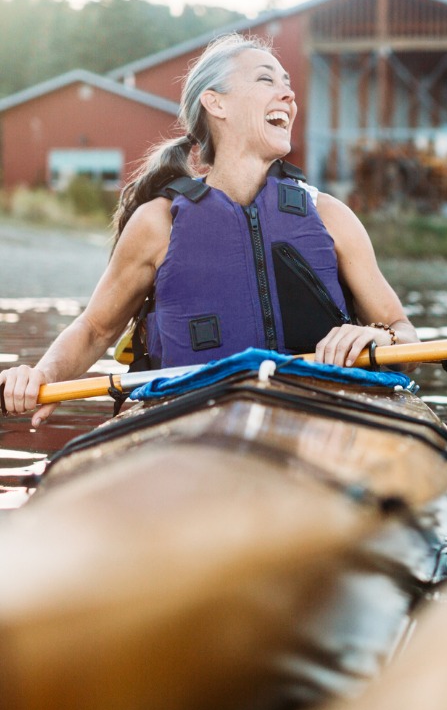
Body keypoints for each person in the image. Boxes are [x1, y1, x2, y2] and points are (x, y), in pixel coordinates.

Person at [0, 32, 416, 426]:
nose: (289, 95)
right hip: (191, 416)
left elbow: (404, 336)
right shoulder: (158, 222)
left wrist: (377, 336)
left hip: (321, 413)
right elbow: (95, 329)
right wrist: (41, 374)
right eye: (265, 79)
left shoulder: (329, 215)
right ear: (216, 104)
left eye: (288, 84)